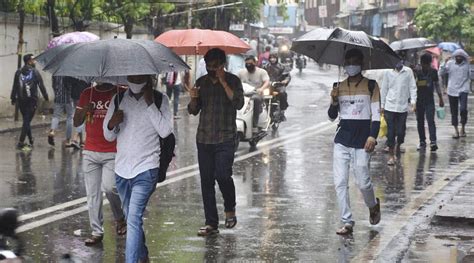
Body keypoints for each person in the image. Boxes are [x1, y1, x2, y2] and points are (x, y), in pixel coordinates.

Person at [104, 75, 172, 263]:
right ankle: (142, 255)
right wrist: (112, 122)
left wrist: (150, 104)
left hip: (146, 169)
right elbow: (108, 135)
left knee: (133, 219)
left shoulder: (160, 100)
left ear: (148, 76)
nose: (135, 78)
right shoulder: (118, 99)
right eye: (132, 74)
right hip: (122, 170)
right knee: (131, 217)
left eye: (139, 74)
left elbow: (166, 131)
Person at [188, 48, 244, 236]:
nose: (212, 70)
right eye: (209, 66)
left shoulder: (234, 81)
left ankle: (230, 209)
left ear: (223, 65)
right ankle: (211, 223)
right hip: (204, 138)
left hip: (225, 138)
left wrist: (222, 81)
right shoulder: (201, 83)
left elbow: (238, 103)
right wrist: (194, 98)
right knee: (206, 181)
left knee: (222, 175)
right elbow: (193, 110)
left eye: (215, 66)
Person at [328, 48, 381, 235]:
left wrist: (372, 136)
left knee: (363, 181)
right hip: (342, 139)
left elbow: (376, 115)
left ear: (361, 64)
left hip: (363, 140)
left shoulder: (371, 86)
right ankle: (347, 221)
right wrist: (334, 101)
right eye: (348, 62)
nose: (351, 65)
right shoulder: (338, 86)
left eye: (354, 61)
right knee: (340, 182)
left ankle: (373, 205)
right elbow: (331, 117)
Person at [74, 82, 126, 246]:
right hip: (90, 150)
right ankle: (97, 231)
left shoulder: (121, 93)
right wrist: (84, 111)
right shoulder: (87, 93)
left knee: (110, 188)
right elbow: (76, 122)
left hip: (113, 150)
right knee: (92, 194)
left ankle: (120, 217)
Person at [381, 59, 417, 165]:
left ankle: (398, 145)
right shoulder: (387, 72)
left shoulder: (408, 71)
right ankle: (391, 155)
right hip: (389, 106)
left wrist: (413, 101)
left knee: (401, 132)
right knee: (391, 132)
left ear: (402, 61)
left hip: (402, 107)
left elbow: (412, 87)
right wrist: (382, 105)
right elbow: (384, 89)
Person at [10, 54, 49, 149]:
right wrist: (46, 97)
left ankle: (31, 139)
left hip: (21, 100)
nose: (35, 61)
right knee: (27, 121)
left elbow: (15, 86)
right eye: (33, 60)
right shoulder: (35, 72)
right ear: (29, 61)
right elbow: (41, 86)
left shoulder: (18, 72)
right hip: (32, 101)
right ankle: (21, 142)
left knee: (26, 120)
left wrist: (13, 98)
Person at [415, 53, 444, 151]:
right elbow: (413, 85)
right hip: (419, 100)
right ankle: (422, 141)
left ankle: (433, 141)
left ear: (430, 63)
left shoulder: (433, 72)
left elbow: (437, 85)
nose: (426, 66)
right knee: (420, 121)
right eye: (424, 64)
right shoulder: (417, 72)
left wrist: (440, 98)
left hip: (429, 100)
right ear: (421, 63)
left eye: (427, 64)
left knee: (430, 120)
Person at [439, 49, 470, 138]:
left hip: (463, 89)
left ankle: (463, 128)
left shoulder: (467, 65)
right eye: (457, 56)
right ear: (455, 56)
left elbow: (471, 76)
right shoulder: (450, 64)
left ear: (463, 57)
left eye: (461, 56)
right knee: (454, 111)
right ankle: (456, 130)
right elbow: (441, 73)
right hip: (452, 90)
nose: (459, 57)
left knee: (463, 109)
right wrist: (444, 62)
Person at [237, 56, 270, 133]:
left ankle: (254, 124)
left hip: (256, 94)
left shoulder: (262, 72)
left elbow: (266, 82)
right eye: (247, 64)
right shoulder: (241, 72)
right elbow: (234, 80)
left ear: (255, 63)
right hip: (243, 94)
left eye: (250, 63)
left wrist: (261, 89)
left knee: (256, 99)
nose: (248, 65)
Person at [48, 76, 74, 147]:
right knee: (70, 117)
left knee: (56, 116)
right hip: (69, 98)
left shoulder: (56, 72)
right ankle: (68, 139)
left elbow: (53, 85)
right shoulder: (71, 71)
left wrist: (56, 93)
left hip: (58, 97)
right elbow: (73, 85)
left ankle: (52, 131)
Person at [264, 53, 290, 119]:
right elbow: (261, 75)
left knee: (282, 93)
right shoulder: (265, 66)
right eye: (271, 58)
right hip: (268, 86)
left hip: (279, 85)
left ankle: (282, 110)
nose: (272, 59)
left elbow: (287, 76)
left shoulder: (282, 66)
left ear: (277, 58)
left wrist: (284, 81)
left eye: (274, 58)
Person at [68, 77, 90, 148]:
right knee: (82, 117)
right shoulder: (88, 71)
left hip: (75, 95)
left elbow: (68, 80)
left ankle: (81, 141)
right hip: (84, 96)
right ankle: (75, 138)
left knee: (79, 116)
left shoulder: (76, 70)